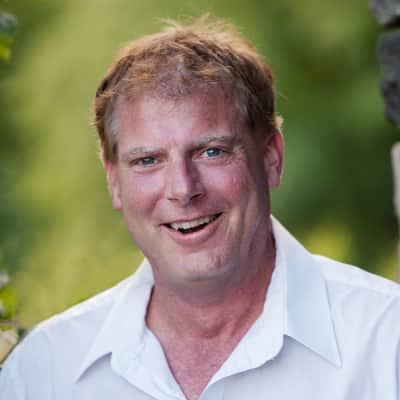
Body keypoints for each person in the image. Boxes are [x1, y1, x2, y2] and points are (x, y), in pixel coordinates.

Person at [1, 16, 400, 400]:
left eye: (212, 152)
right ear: (114, 182)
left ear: (271, 158)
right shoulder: (43, 373)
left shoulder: (386, 342)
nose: (182, 189)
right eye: (147, 160)